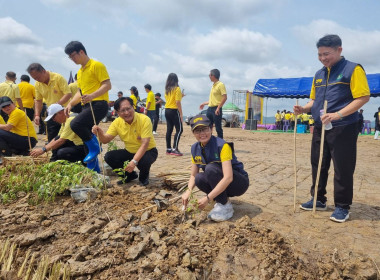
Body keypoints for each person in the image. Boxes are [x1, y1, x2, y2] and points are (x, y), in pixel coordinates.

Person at [294, 34, 370, 223]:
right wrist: (303, 108)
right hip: (320, 126)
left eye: (326, 54)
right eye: (319, 55)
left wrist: (338, 114)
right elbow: (314, 100)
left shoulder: (353, 69)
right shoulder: (319, 74)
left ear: (339, 50)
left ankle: (342, 206)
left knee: (342, 167)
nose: (323, 58)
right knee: (318, 163)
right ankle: (318, 199)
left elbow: (362, 97)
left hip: (343, 126)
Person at [181, 115, 249, 221]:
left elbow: (228, 178)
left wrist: (207, 198)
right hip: (222, 181)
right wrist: (188, 192)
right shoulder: (195, 148)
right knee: (199, 178)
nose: (202, 133)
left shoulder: (222, 146)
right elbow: (193, 175)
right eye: (197, 131)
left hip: (238, 183)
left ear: (211, 128)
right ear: (193, 133)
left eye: (205, 129)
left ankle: (225, 206)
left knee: (210, 169)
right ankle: (219, 199)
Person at [64, 41, 111, 165]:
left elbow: (107, 85)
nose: (72, 59)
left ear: (81, 51)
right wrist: (70, 104)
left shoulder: (97, 65)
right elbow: (80, 92)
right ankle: (93, 168)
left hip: (99, 104)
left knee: (75, 124)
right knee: (87, 135)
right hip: (87, 105)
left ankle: (96, 148)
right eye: (70, 57)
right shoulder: (80, 72)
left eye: (73, 55)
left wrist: (92, 95)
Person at [92, 97, 158, 186]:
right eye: (122, 110)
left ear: (133, 107)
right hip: (130, 151)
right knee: (109, 156)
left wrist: (134, 162)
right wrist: (99, 133)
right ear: (117, 112)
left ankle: (143, 177)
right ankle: (128, 176)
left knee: (143, 160)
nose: (126, 113)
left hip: (148, 151)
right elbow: (105, 140)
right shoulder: (117, 122)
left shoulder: (144, 119)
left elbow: (145, 143)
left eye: (128, 108)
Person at [29, 104, 98, 170]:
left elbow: (61, 140)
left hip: (86, 148)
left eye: (53, 117)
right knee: (54, 146)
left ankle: (81, 165)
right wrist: (45, 147)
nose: (53, 120)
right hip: (78, 145)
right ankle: (54, 163)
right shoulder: (65, 120)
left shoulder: (71, 119)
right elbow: (57, 138)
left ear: (60, 112)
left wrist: (43, 150)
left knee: (62, 152)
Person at [27, 63, 72, 142]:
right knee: (52, 136)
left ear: (43, 71)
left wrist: (57, 105)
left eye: (38, 77)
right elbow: (38, 100)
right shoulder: (37, 84)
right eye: (34, 78)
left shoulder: (58, 78)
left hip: (64, 112)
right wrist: (37, 115)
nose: (37, 80)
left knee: (66, 137)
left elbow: (68, 94)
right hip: (51, 114)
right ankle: (54, 153)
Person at [200, 69, 227, 139]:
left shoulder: (221, 85)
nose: (209, 76)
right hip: (210, 109)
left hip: (216, 109)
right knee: (208, 127)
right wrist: (203, 103)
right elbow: (212, 100)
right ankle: (209, 142)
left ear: (213, 76)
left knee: (218, 128)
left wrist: (218, 108)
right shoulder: (213, 85)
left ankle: (221, 144)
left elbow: (224, 97)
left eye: (210, 75)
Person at [164, 73, 183, 156]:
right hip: (174, 111)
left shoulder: (167, 89)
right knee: (179, 129)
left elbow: (172, 99)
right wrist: (181, 114)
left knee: (169, 130)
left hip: (167, 110)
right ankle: (175, 148)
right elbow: (177, 102)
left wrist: (181, 96)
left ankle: (168, 149)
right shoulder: (177, 88)